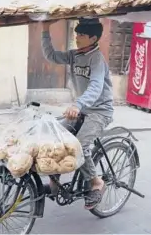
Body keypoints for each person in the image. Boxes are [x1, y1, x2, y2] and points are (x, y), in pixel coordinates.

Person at [41, 18, 114, 210]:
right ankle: (54, 184)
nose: (77, 36)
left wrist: (79, 104)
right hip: (82, 108)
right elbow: (51, 56)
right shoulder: (75, 55)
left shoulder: (96, 59)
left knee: (79, 145)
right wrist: (44, 30)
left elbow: (96, 86)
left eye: (81, 34)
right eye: (77, 33)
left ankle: (96, 182)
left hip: (100, 111)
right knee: (56, 136)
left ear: (93, 38)